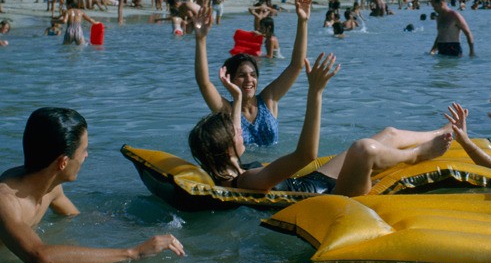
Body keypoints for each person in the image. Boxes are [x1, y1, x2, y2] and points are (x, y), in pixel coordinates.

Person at [0, 108, 184, 263]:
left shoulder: (50, 186)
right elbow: (40, 258)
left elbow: (75, 217)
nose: (86, 156)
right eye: (83, 150)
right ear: (63, 162)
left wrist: (134, 227)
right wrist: (134, 252)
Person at [189, 54, 452, 196]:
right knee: (364, 149)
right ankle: (417, 154)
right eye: (236, 133)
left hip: (312, 182)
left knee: (389, 133)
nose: (240, 132)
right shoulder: (247, 180)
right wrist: (315, 93)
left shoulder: (231, 170)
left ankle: (442, 131)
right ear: (227, 150)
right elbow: (306, 155)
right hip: (332, 195)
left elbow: (232, 136)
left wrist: (236, 98)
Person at [193, 0, 311, 147]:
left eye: (253, 75)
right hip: (246, 169)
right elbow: (204, 83)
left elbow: (296, 65)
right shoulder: (227, 111)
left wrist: (303, 21)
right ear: (230, 80)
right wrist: (201, 39)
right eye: (242, 75)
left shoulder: (269, 99)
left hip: (274, 167)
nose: (249, 80)